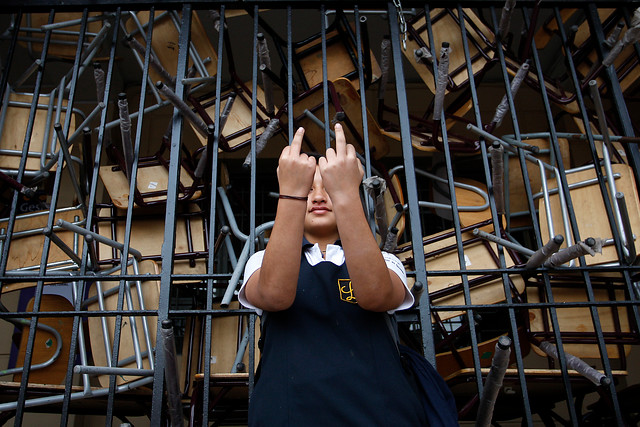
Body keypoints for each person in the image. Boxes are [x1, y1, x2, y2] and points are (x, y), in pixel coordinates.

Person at [239, 124, 427, 426]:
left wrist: (346, 193)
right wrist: (290, 194)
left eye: (327, 187)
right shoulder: (262, 261)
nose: (317, 196)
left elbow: (376, 295)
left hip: (380, 414)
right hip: (289, 414)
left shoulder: (385, 261)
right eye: (308, 189)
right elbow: (274, 295)